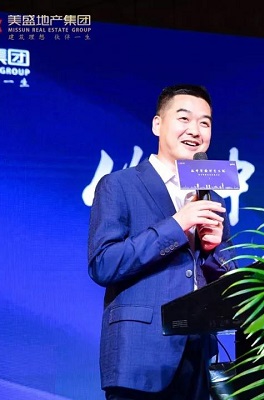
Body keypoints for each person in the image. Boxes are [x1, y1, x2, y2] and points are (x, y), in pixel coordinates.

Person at [88, 84, 237, 400]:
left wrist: (213, 252)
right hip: (139, 357)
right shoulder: (119, 185)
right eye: (184, 119)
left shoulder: (212, 196)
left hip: (199, 358)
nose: (195, 130)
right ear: (158, 124)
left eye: (205, 123)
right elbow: (103, 263)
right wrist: (177, 225)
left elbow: (227, 282)